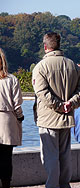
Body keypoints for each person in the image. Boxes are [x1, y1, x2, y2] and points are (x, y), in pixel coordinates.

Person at [32, 32, 80, 188]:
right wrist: (70, 103)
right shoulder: (72, 65)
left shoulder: (40, 67)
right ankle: (64, 185)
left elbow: (41, 93)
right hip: (67, 117)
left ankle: (52, 186)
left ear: (45, 46)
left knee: (50, 157)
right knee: (65, 156)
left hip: (48, 118)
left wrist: (58, 105)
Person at [0, 48, 24, 188]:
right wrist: (20, 118)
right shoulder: (12, 79)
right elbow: (17, 105)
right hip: (7, 122)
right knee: (6, 158)